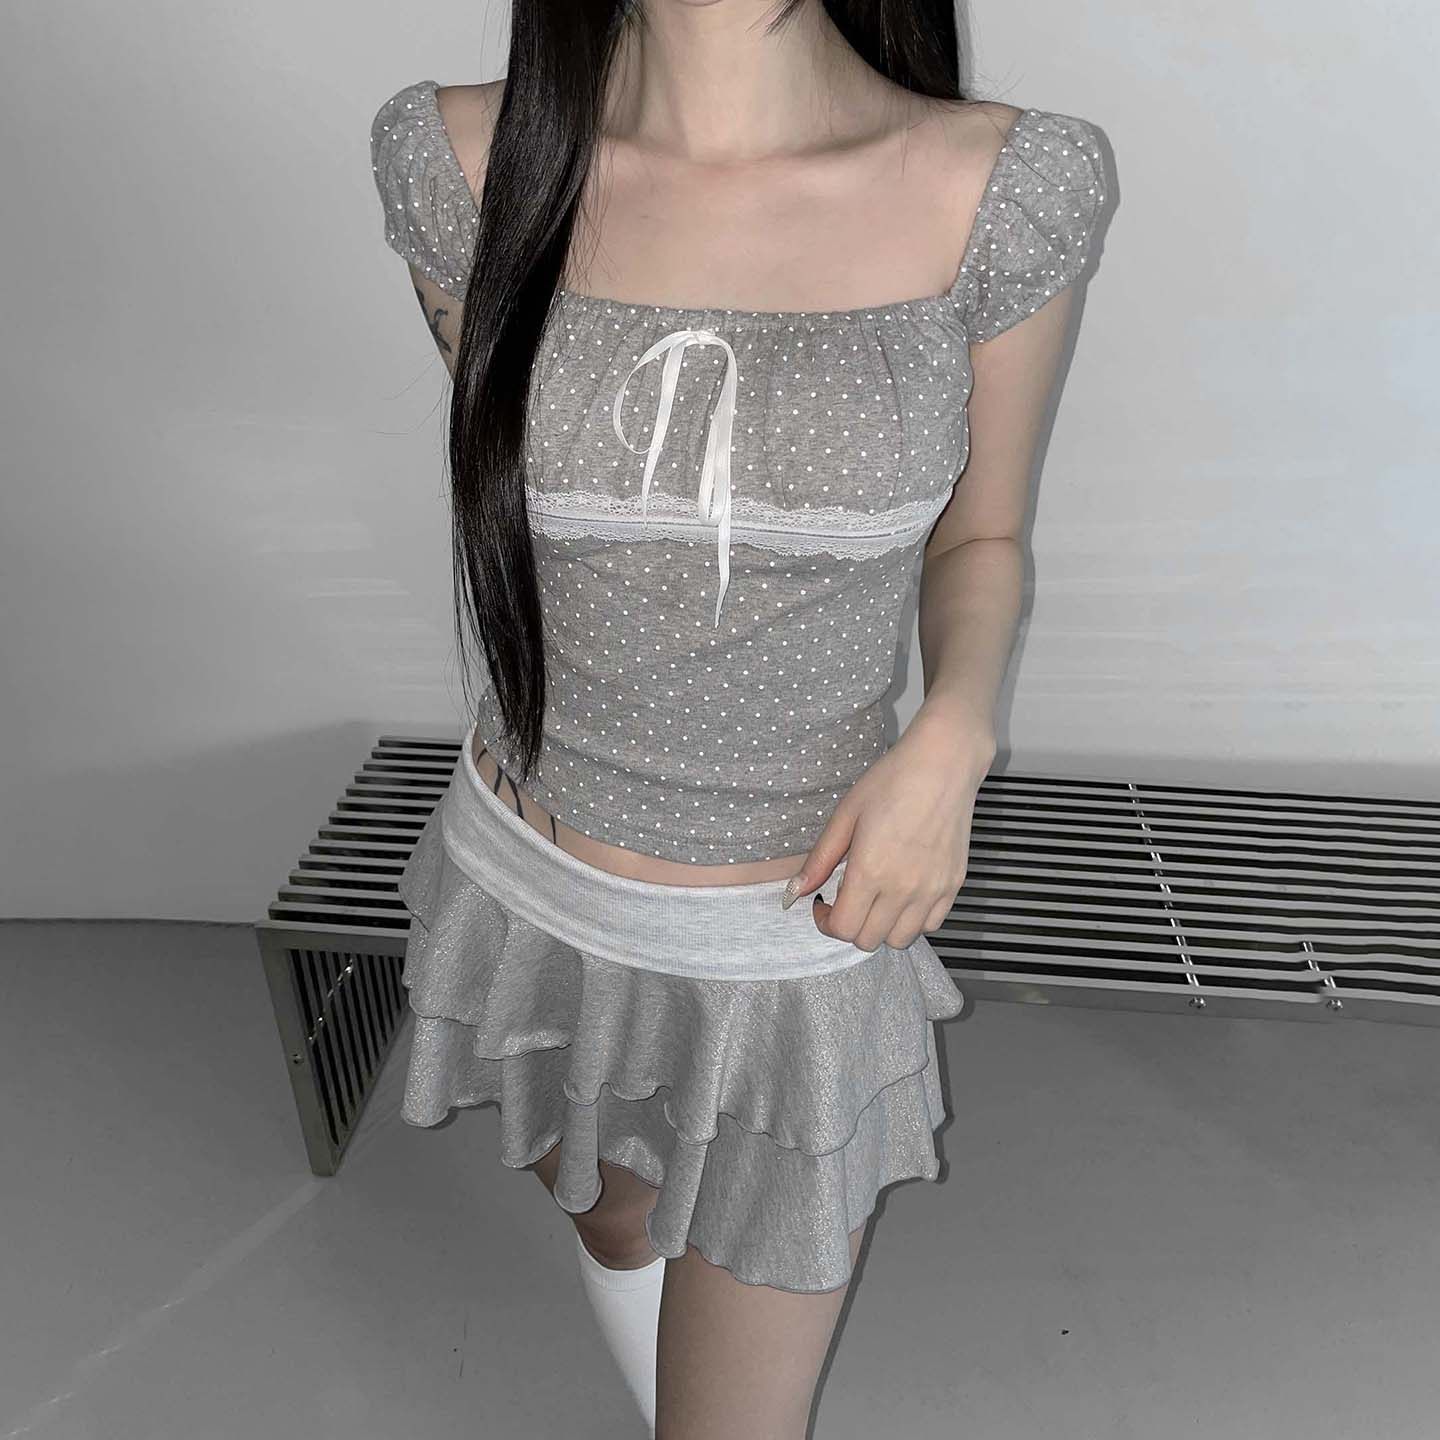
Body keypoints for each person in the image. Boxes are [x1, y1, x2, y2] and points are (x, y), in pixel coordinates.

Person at [369, 0, 1111, 1432]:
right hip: (527, 887)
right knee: (612, 1220)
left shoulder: (1003, 192)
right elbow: (558, 522)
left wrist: (954, 737)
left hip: (791, 937)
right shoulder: (456, 166)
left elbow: (982, 538)